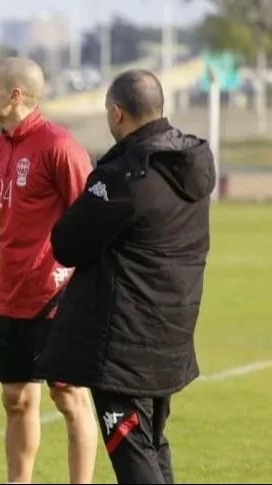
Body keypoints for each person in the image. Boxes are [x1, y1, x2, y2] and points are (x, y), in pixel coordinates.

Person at [40, 69, 215, 484]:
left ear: (117, 113)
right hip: (171, 330)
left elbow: (67, 243)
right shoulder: (189, 165)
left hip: (125, 345)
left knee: (133, 452)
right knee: (151, 444)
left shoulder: (126, 176)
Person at [0, 57, 99, 484]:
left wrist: (81, 285)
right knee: (15, 398)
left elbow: (90, 220)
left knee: (68, 396)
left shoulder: (60, 147)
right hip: (10, 291)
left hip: (57, 294)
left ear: (14, 96)